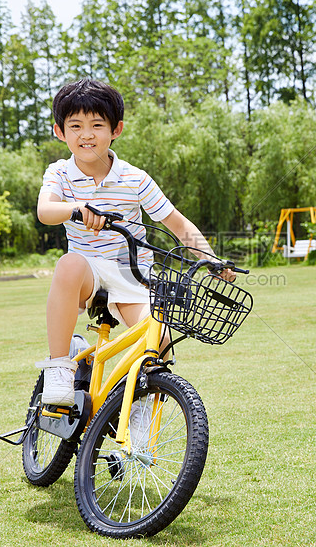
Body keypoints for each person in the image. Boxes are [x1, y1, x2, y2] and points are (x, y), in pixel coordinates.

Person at [36, 78, 232, 406]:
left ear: (116, 130)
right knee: (68, 264)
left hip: (132, 274)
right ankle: (60, 366)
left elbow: (177, 223)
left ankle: (140, 411)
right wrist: (77, 209)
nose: (87, 134)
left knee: (160, 339)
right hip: (87, 271)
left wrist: (212, 260)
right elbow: (45, 210)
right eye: (76, 126)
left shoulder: (134, 178)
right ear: (60, 132)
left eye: (97, 125)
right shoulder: (59, 173)